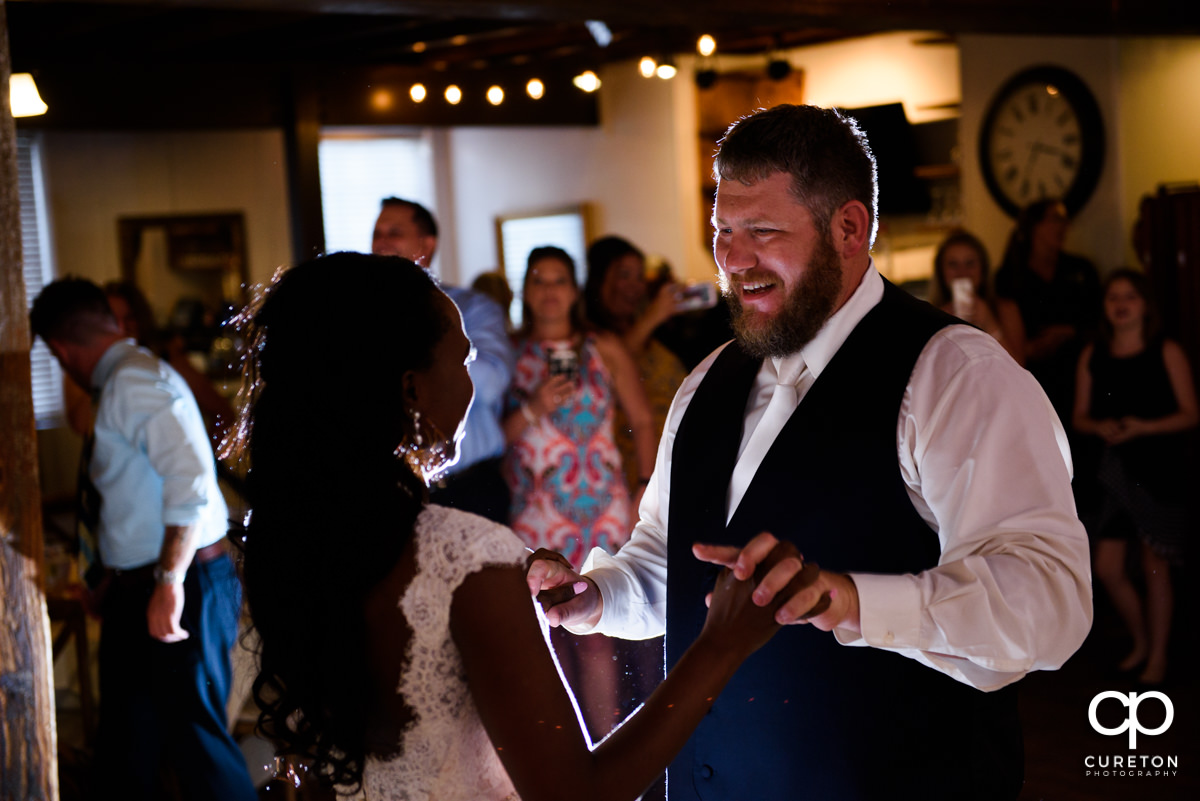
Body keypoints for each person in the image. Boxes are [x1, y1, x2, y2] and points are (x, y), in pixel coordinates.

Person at [528, 104, 1093, 800]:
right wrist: (599, 596)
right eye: (722, 233)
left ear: (849, 228)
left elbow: (1051, 600)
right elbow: (663, 562)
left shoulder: (956, 375)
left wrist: (856, 601)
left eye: (762, 232)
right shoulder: (705, 382)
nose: (733, 261)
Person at [231, 252, 783, 801]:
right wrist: (718, 647)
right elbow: (578, 794)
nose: (475, 388)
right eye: (464, 361)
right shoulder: (465, 557)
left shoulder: (291, 545)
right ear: (411, 389)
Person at [29, 278, 256, 801]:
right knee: (128, 751)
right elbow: (135, 498)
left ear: (60, 350)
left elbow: (193, 485)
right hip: (141, 585)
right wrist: (112, 578)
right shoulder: (124, 381)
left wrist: (169, 583)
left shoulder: (136, 382)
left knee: (198, 748)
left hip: (182, 584)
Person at [502, 245, 658, 739]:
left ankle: (607, 757)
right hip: (537, 512)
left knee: (596, 634)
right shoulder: (509, 352)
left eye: (559, 281)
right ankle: (562, 763)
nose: (550, 292)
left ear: (574, 290)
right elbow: (489, 439)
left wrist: (645, 485)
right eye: (539, 281)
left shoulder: (602, 346)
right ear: (526, 291)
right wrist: (533, 407)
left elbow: (642, 418)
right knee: (546, 632)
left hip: (602, 508)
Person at [1073, 268, 1197, 685]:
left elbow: (1190, 414)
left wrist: (1144, 427)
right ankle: (1142, 640)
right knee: (1107, 567)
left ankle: (1158, 655)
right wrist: (1099, 427)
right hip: (1113, 475)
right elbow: (1079, 416)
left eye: (1130, 296)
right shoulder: (1094, 353)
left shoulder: (1167, 351)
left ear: (1145, 304)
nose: (1121, 304)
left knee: (1154, 565)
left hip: (1159, 472)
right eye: (1113, 297)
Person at [372, 197, 515, 523]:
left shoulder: (474, 308)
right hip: (394, 492)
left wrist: (419, 333)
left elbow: (492, 383)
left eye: (394, 232)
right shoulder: (364, 317)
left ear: (426, 244)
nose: (381, 241)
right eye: (377, 232)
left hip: (470, 489)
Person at [584, 235, 691, 493]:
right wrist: (652, 318)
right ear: (600, 279)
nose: (635, 286)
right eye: (624, 275)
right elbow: (608, 369)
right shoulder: (590, 336)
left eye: (639, 276)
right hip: (627, 478)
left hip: (673, 467)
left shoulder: (652, 330)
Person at [995, 199, 1101, 419]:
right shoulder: (1010, 275)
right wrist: (1030, 348)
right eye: (1056, 219)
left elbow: (1101, 321)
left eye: (1065, 220)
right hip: (1033, 378)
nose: (1064, 226)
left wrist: (1070, 333)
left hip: (1081, 375)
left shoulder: (1081, 270)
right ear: (1034, 226)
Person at [929, 228, 1025, 364]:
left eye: (970, 263)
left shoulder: (1006, 310)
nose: (962, 272)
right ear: (941, 272)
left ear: (983, 269)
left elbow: (1019, 369)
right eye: (953, 264)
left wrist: (990, 324)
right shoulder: (931, 317)